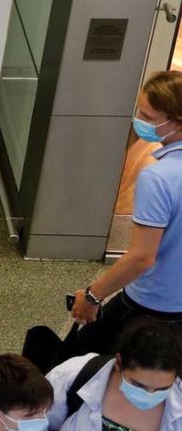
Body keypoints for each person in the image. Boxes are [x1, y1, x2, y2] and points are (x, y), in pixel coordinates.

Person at [70, 71, 182, 355]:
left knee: (84, 360)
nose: (139, 122)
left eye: (148, 117)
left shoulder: (159, 178)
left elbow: (142, 257)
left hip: (154, 303)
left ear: (177, 123)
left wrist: (94, 296)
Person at [45, 318, 182, 430]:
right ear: (118, 363)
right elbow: (34, 421)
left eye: (163, 389)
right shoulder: (72, 375)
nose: (150, 396)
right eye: (138, 385)